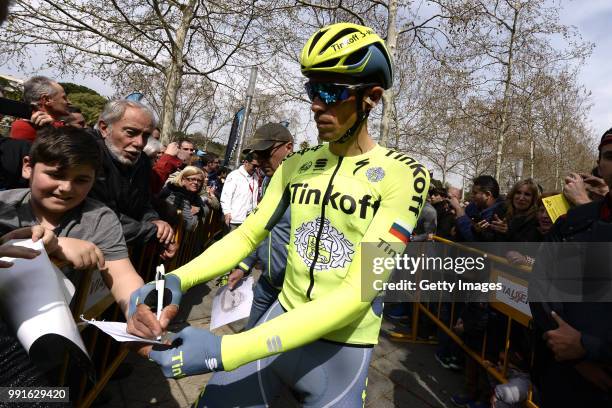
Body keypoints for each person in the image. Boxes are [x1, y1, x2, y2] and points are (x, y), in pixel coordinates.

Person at [130, 22, 429, 407]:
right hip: (280, 317)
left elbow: (359, 291)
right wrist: (177, 279)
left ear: (371, 97)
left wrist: (224, 351)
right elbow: (247, 234)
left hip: (342, 347)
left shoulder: (405, 175)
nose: (316, 104)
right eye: (311, 89)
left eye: (329, 90)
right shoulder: (297, 163)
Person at [0, 128, 163, 392]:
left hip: (58, 356)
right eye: (55, 174)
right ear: (28, 167)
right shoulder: (3, 208)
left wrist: (137, 309)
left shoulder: (100, 218)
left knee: (51, 397)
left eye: (81, 180)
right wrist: (55, 246)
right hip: (7, 352)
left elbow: (122, 274)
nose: (66, 188)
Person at [529, 128, 612, 407]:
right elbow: (541, 286)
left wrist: (589, 348)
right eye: (611, 156)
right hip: (560, 375)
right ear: (600, 164)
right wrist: (569, 349)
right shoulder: (575, 220)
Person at [226, 123, 294, 329]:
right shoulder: (268, 181)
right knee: (249, 335)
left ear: (288, 148)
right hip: (266, 282)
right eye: (257, 155)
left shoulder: (310, 184)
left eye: (266, 153)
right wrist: (245, 265)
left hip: (293, 293)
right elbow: (261, 230)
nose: (260, 161)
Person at [88, 100, 175, 258]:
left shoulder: (141, 162)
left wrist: (155, 221)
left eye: (146, 136)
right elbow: (101, 221)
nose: (140, 143)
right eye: (130, 132)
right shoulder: (87, 158)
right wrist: (152, 232)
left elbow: (143, 203)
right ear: (104, 128)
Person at [9, 76, 69, 142]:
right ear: (47, 99)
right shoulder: (24, 126)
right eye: (64, 97)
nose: (69, 102)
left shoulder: (58, 124)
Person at [450, 175, 506, 242]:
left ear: (488, 195)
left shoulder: (499, 215)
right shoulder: (471, 207)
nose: (472, 196)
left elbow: (474, 240)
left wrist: (459, 209)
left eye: (475, 193)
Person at [220, 152, 260, 231]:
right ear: (246, 162)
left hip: (249, 219)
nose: (256, 169)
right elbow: (226, 196)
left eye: (258, 166)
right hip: (234, 219)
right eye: (254, 166)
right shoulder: (234, 175)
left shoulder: (255, 177)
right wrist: (226, 212)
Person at [160, 166, 208, 231]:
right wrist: (195, 213)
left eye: (199, 180)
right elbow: (190, 225)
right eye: (192, 179)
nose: (196, 182)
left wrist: (199, 210)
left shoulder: (192, 194)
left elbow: (206, 209)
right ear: (183, 179)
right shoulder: (175, 194)